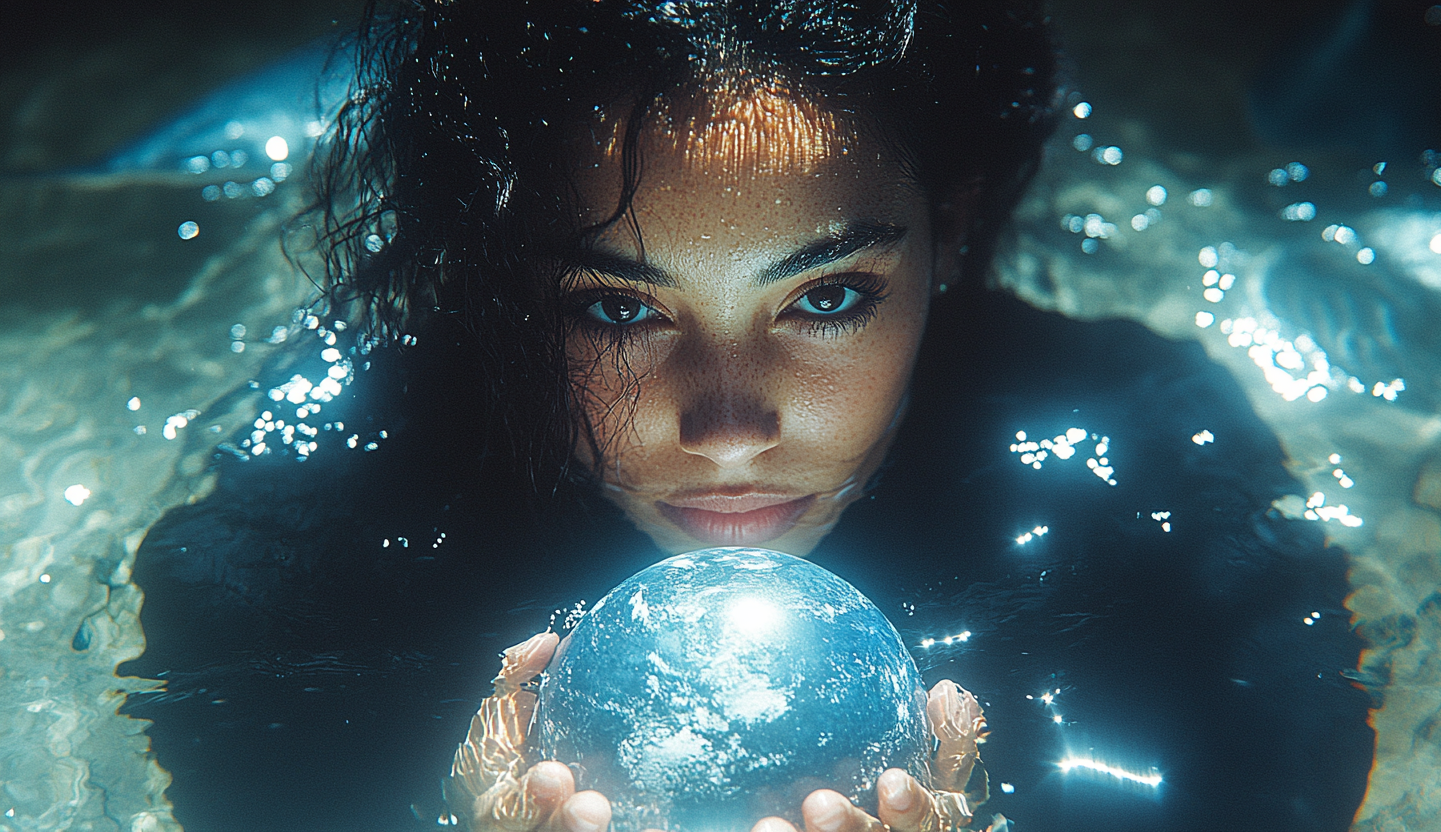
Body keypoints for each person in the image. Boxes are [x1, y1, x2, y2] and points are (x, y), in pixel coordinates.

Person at [123, 1, 1372, 830]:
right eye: (617, 309)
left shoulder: (1141, 447)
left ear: (952, 222)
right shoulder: (322, 514)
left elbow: (1290, 764)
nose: (727, 425)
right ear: (504, 278)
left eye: (827, 295)